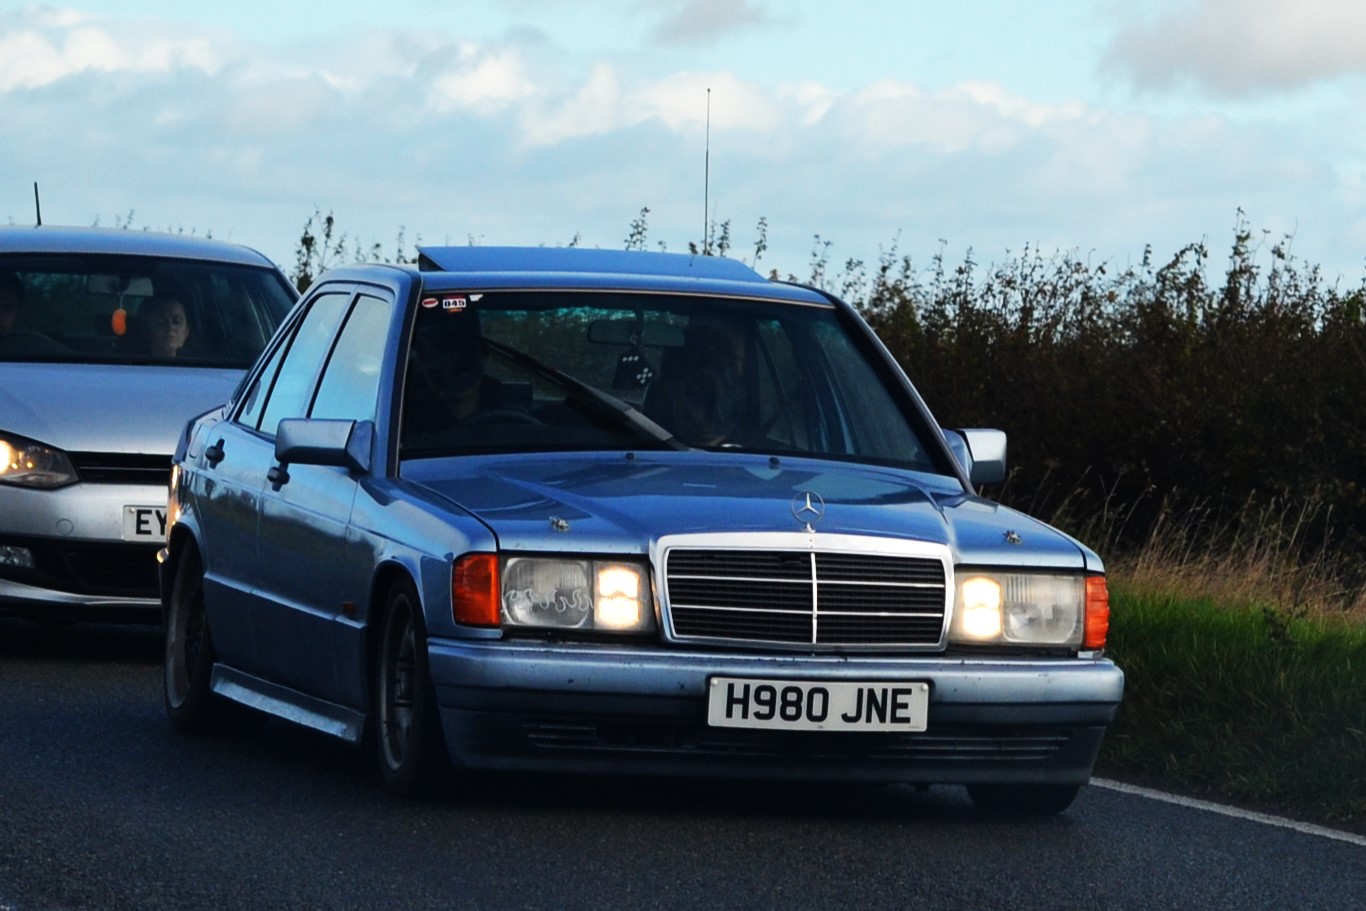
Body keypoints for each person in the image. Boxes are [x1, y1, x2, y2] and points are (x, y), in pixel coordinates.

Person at [650, 318, 752, 446]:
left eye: (735, 365)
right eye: (700, 390)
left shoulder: (754, 451)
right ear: (671, 386)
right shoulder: (639, 435)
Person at [131, 293, 191, 357]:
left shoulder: (198, 364)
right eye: (161, 321)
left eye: (177, 321)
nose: (170, 326)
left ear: (187, 331)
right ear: (147, 330)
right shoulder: (131, 364)